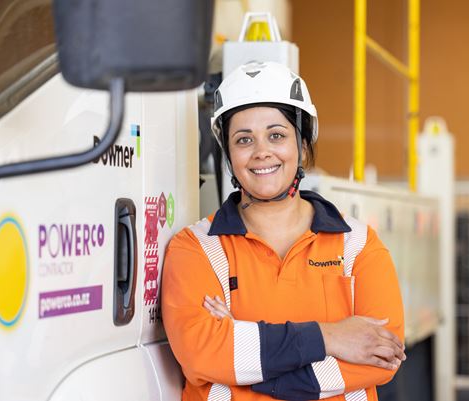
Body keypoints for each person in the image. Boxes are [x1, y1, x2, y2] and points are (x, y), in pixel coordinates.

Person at [161, 61, 405, 401]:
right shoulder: (195, 249)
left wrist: (250, 368)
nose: (262, 152)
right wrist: (330, 337)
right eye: (244, 139)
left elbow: (383, 356)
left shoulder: (358, 246)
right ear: (229, 156)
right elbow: (203, 353)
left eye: (276, 135)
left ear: (302, 146)